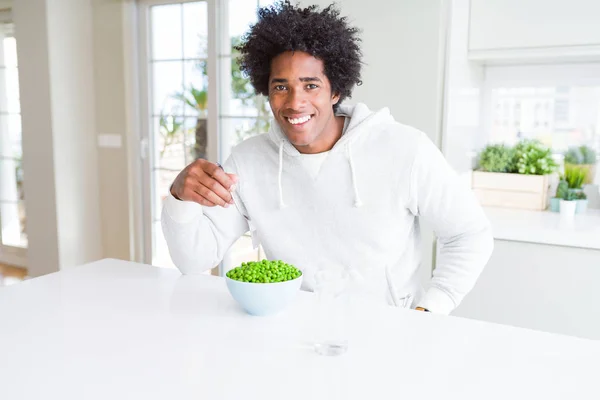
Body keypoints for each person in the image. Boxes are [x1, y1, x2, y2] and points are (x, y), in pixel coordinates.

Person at [162, 1, 493, 314]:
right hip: (291, 331)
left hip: (388, 333)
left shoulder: (405, 148)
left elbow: (470, 233)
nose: (295, 102)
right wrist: (180, 196)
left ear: (336, 91)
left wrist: (431, 309)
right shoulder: (248, 160)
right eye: (281, 87)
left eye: (310, 86)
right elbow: (194, 259)